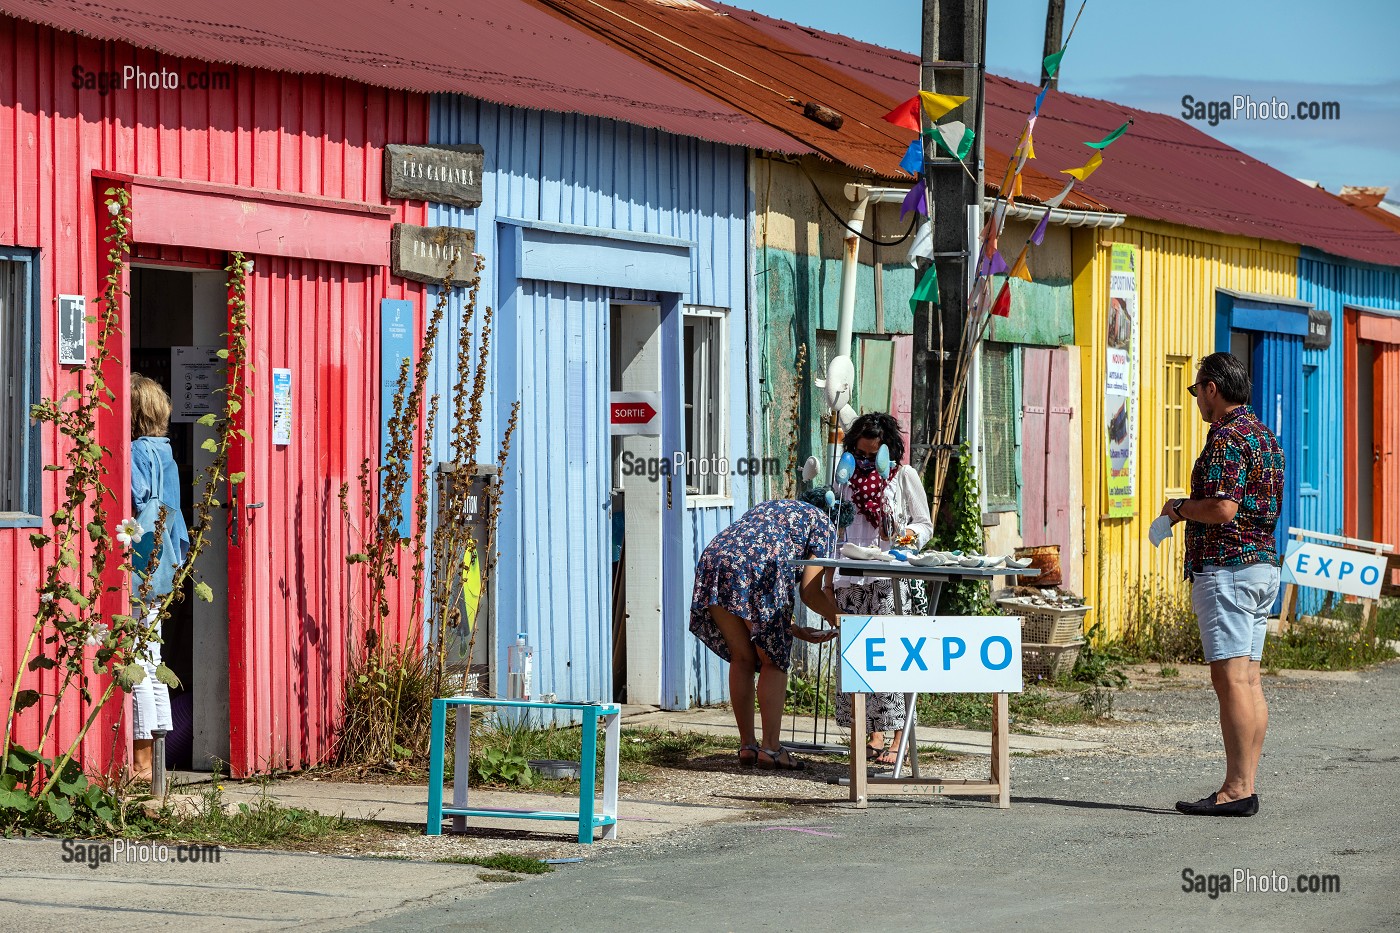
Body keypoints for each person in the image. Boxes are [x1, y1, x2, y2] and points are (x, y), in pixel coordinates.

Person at [1160, 352, 1283, 817]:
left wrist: (1180, 508)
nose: (1196, 400)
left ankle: (1236, 788)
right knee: (1249, 678)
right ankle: (1246, 784)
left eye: (1196, 391)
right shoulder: (1265, 436)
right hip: (1263, 565)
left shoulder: (1226, 437)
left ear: (1212, 388)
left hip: (1227, 567)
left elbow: (1223, 508)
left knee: (1229, 679)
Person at [690, 498, 842, 770]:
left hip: (716, 558)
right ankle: (771, 749)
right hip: (759, 563)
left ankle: (748, 746)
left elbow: (758, 612)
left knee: (742, 658)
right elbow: (809, 590)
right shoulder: (826, 524)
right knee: (773, 660)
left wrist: (793, 629)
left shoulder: (774, 508)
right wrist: (843, 620)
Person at [832, 413, 934, 766]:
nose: (865, 461)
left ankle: (899, 739)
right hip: (850, 577)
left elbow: (923, 524)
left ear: (888, 449)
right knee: (858, 657)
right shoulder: (845, 479)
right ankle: (870, 734)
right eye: (859, 454)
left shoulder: (903, 476)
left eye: (871, 454)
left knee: (892, 656)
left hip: (890, 579)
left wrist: (903, 541)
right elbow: (837, 527)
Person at [129, 375, 190, 781]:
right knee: (152, 661)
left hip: (135, 567)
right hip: (162, 565)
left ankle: (138, 764)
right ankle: (156, 766)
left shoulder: (135, 453)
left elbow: (131, 504)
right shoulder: (167, 455)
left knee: (135, 662)